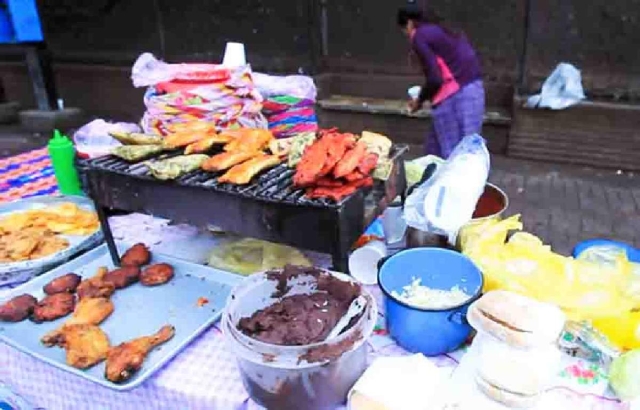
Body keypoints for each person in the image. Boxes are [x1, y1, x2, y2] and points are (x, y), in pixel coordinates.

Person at [397, 5, 485, 158]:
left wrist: (419, 100)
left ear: (409, 23)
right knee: (435, 153)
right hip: (473, 89)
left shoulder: (419, 35)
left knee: (456, 158)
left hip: (457, 97)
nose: (407, 35)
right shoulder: (439, 29)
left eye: (404, 31)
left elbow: (435, 78)